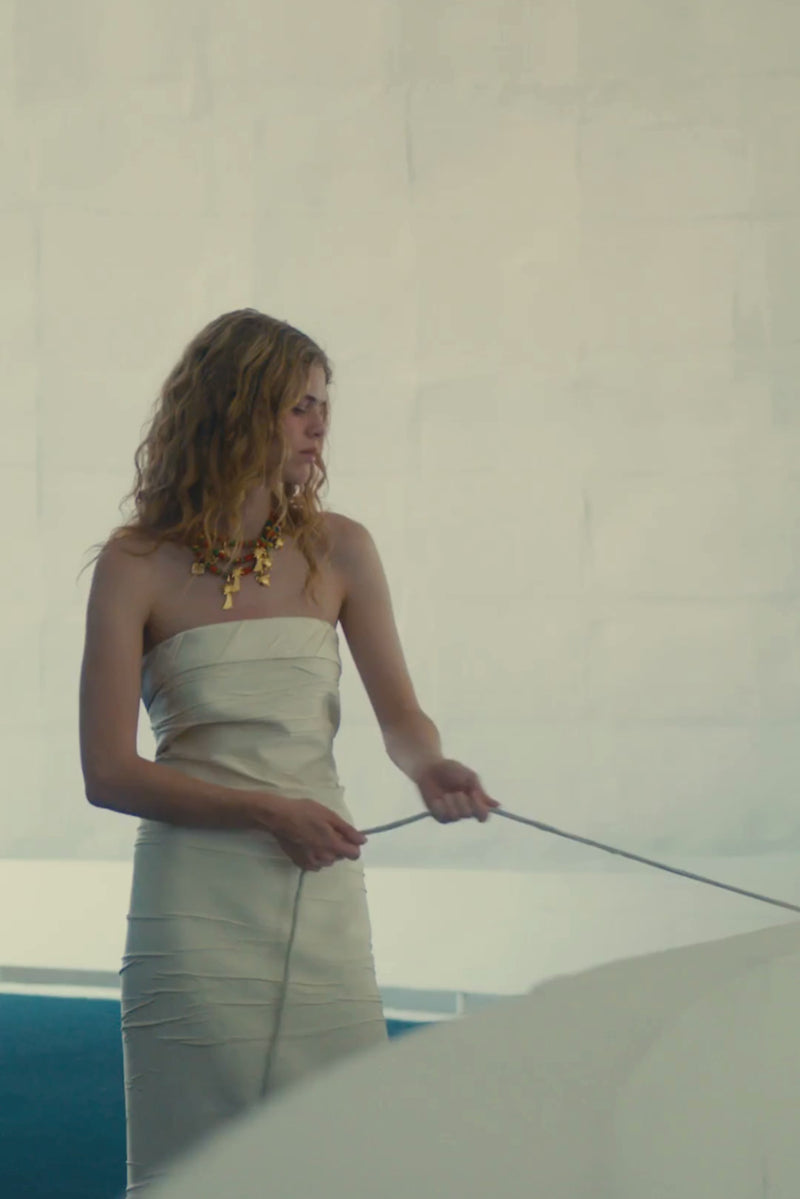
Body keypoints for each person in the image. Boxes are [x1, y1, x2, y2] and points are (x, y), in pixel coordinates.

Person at [78, 309, 499, 1195]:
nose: (320, 424)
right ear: (236, 406)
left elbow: (402, 718)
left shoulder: (341, 548)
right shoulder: (134, 563)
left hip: (318, 892)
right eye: (299, 405)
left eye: (323, 405)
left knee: (340, 1153)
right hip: (193, 906)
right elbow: (107, 772)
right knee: (193, 1161)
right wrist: (266, 811)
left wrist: (429, 766)